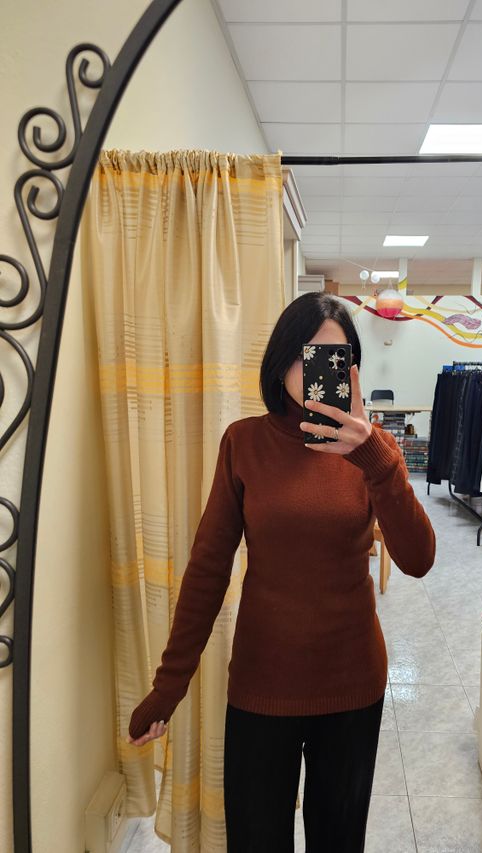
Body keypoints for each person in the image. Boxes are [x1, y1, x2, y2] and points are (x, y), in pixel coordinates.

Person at [127, 292, 437, 852]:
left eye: (335, 358)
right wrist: (168, 686)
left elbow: (418, 559)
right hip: (262, 684)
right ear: (279, 361)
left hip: (352, 684)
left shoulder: (376, 451)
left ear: (352, 369)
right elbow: (208, 570)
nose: (317, 371)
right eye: (304, 355)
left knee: (338, 841)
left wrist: (374, 456)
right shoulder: (244, 443)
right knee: (256, 840)